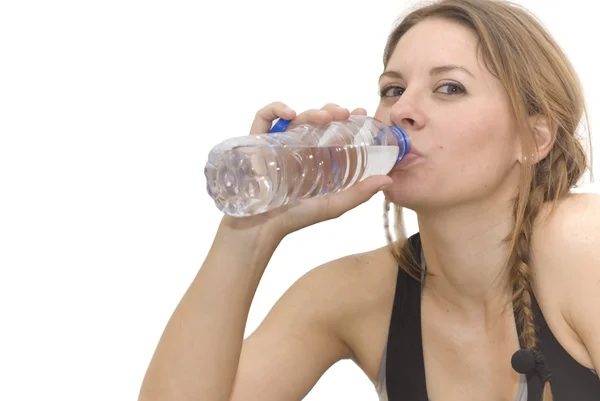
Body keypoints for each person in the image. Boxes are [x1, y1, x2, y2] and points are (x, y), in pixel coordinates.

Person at [138, 0, 600, 400]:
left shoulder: (583, 244)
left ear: (532, 138)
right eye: (393, 89)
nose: (400, 110)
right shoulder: (357, 293)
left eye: (449, 88)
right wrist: (250, 231)